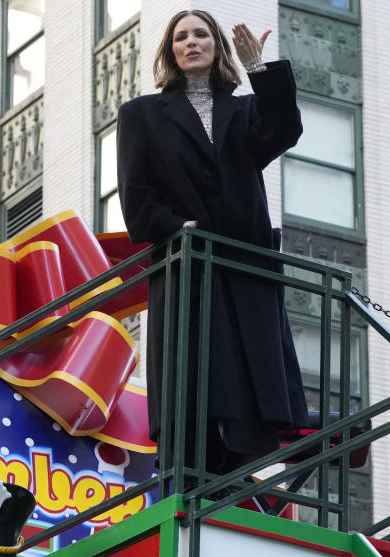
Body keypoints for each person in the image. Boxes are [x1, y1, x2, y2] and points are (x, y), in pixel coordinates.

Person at [117, 11, 307, 475]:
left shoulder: (242, 109)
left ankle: (233, 476)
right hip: (189, 270)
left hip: (243, 271)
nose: (192, 42)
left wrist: (259, 70)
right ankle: (196, 474)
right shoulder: (141, 115)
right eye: (181, 37)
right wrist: (176, 227)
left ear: (217, 47)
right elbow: (137, 199)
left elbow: (283, 131)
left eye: (201, 34)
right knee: (196, 390)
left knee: (247, 391)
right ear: (171, 50)